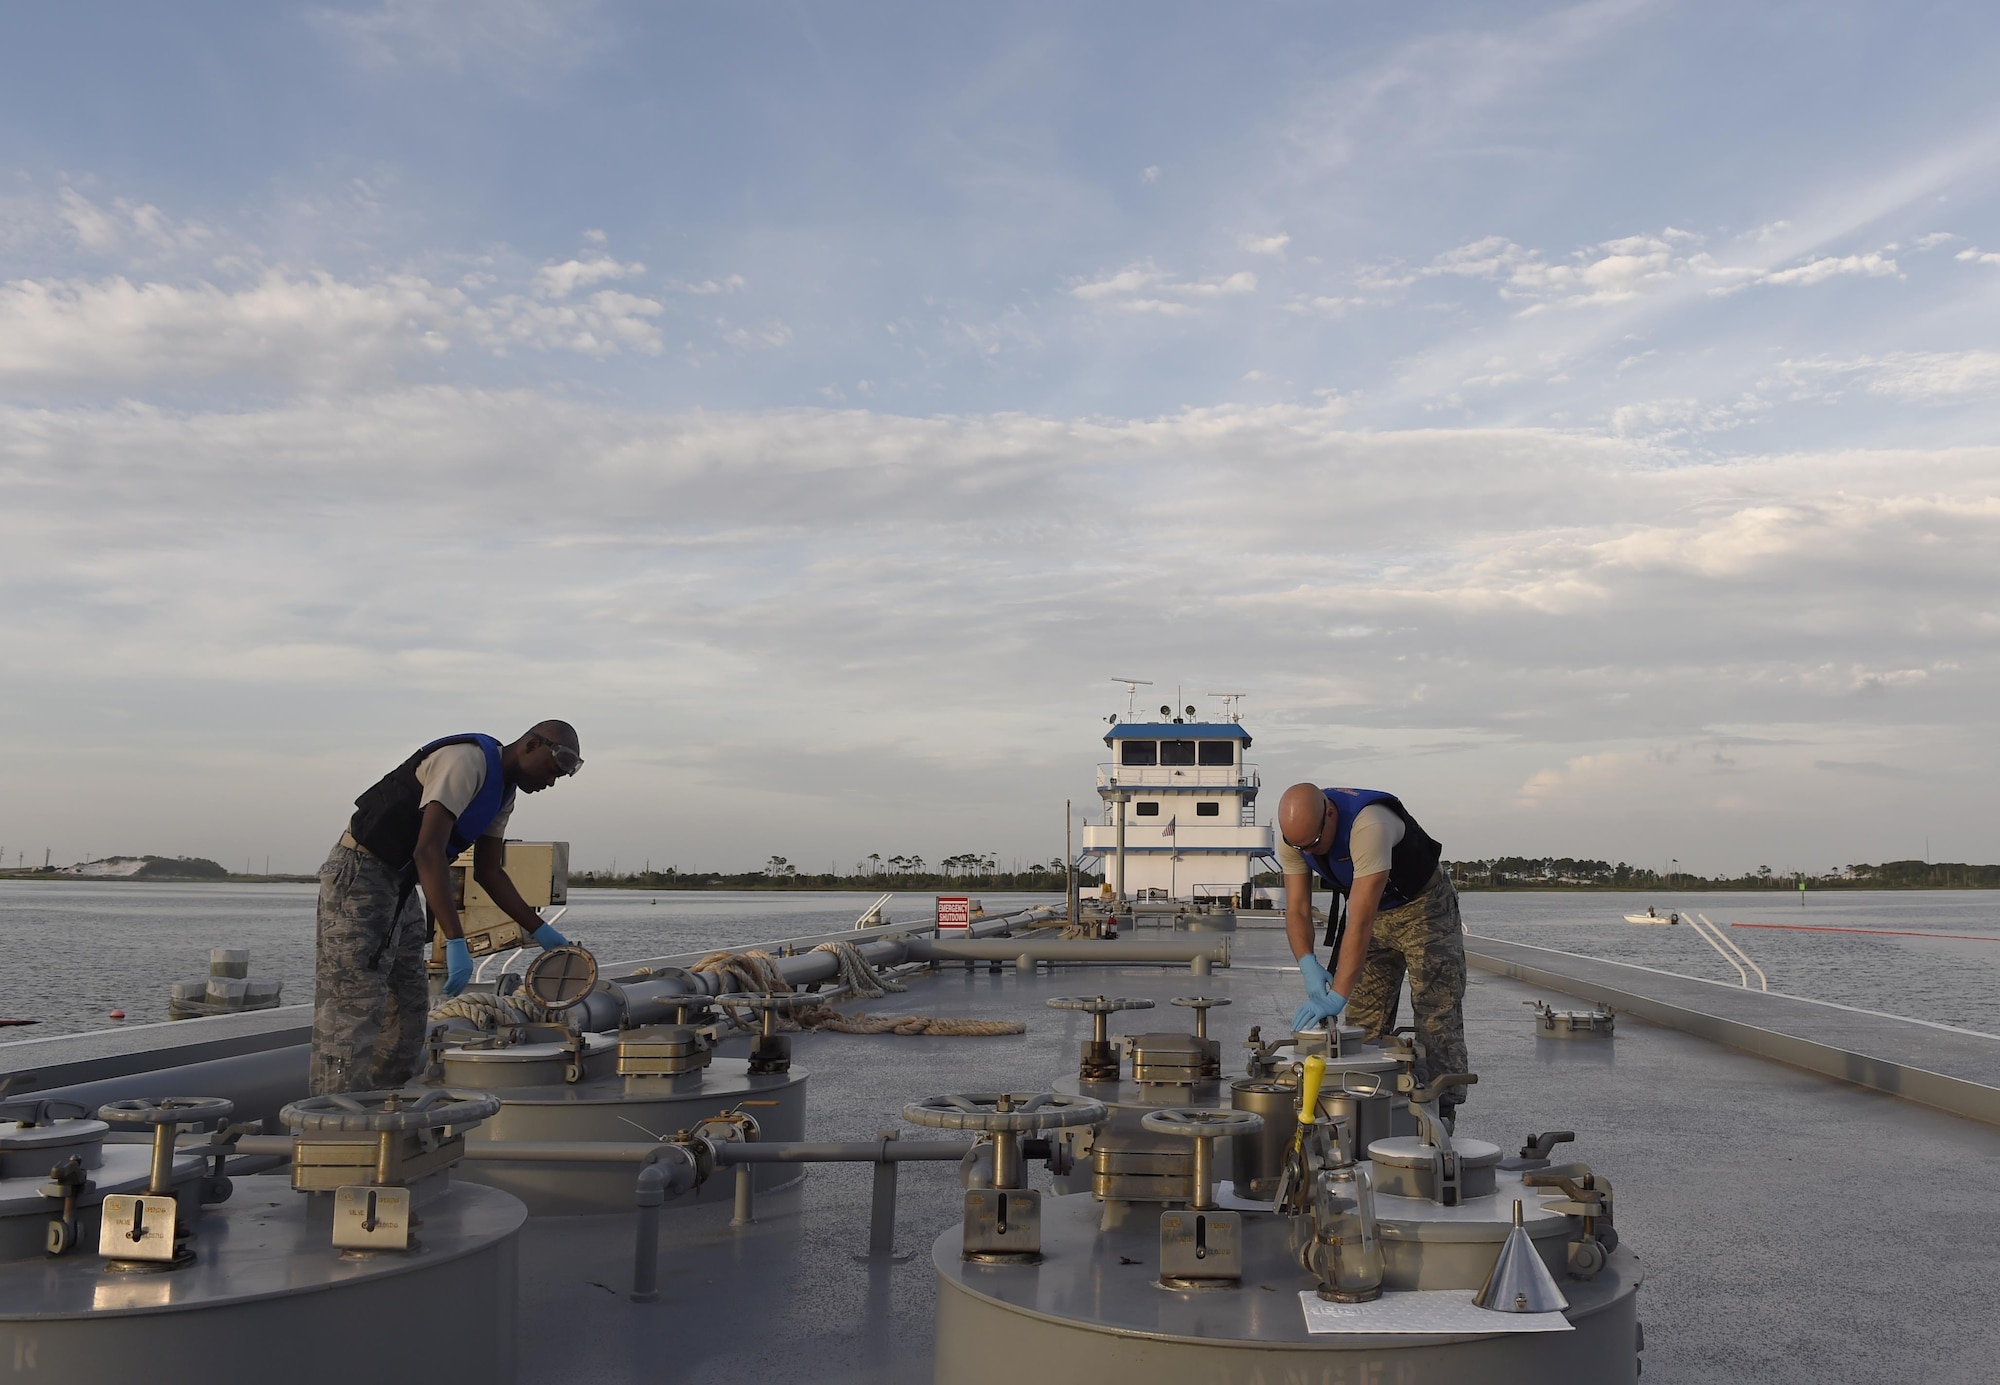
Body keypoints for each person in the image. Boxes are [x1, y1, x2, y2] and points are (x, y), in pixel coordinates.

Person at [309, 722, 583, 1095]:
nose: (551, 783)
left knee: (409, 1005)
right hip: (362, 872)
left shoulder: (504, 794)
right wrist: (455, 940)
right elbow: (428, 850)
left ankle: (386, 1104)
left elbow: (488, 870)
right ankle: (334, 1124)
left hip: (400, 884)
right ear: (531, 745)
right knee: (353, 1004)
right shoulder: (465, 761)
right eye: (553, 771)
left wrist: (540, 929)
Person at [1276, 782, 1469, 1112]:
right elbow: (1296, 909)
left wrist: (1337, 993)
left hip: (1425, 908)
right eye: (1300, 848)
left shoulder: (1369, 825)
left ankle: (1443, 1108)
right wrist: (1306, 962)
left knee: (1435, 1010)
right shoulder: (1296, 839)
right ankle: (1369, 1106)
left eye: (1314, 845)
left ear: (1331, 815)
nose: (1308, 854)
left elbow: (1360, 921)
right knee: (1362, 1025)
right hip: (1378, 912)